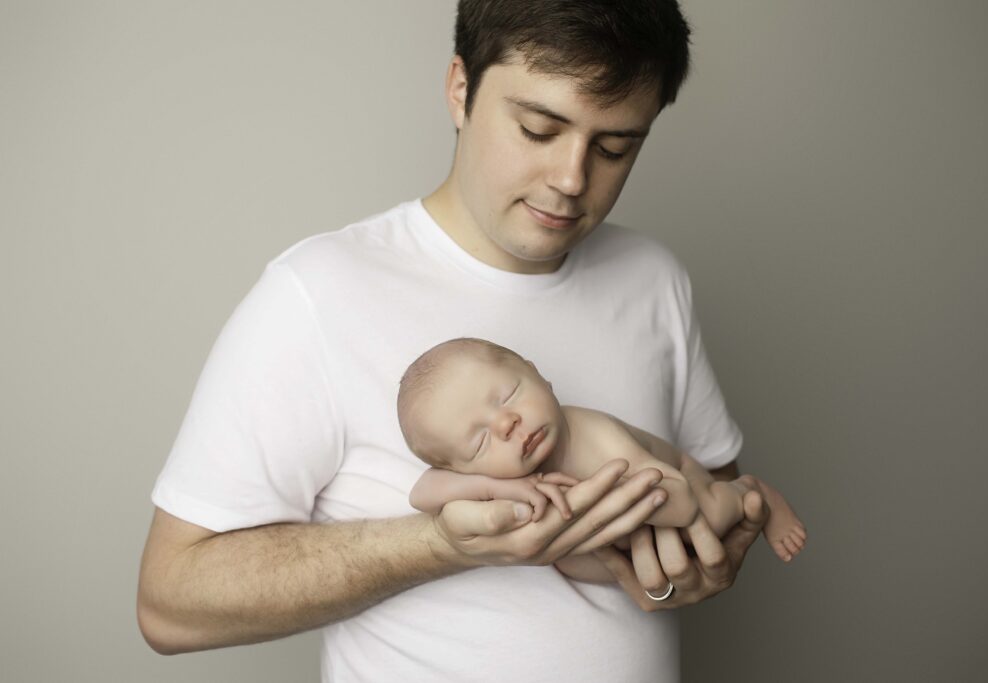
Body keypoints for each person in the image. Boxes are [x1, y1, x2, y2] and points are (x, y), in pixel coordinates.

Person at [137, 1, 769, 680]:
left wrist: (706, 557)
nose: (571, 179)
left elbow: (717, 487)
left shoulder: (653, 278)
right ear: (460, 90)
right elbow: (170, 602)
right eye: (538, 128)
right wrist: (439, 544)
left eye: (615, 146)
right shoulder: (316, 292)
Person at [400, 337, 806, 568]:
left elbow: (680, 502)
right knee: (579, 564)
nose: (506, 424)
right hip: (630, 557)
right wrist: (496, 486)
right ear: (462, 465)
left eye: (509, 395)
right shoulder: (503, 476)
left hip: (683, 483)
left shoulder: (591, 435)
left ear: (536, 372)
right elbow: (421, 493)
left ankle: (752, 491)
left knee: (711, 516)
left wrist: (591, 503)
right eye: (481, 442)